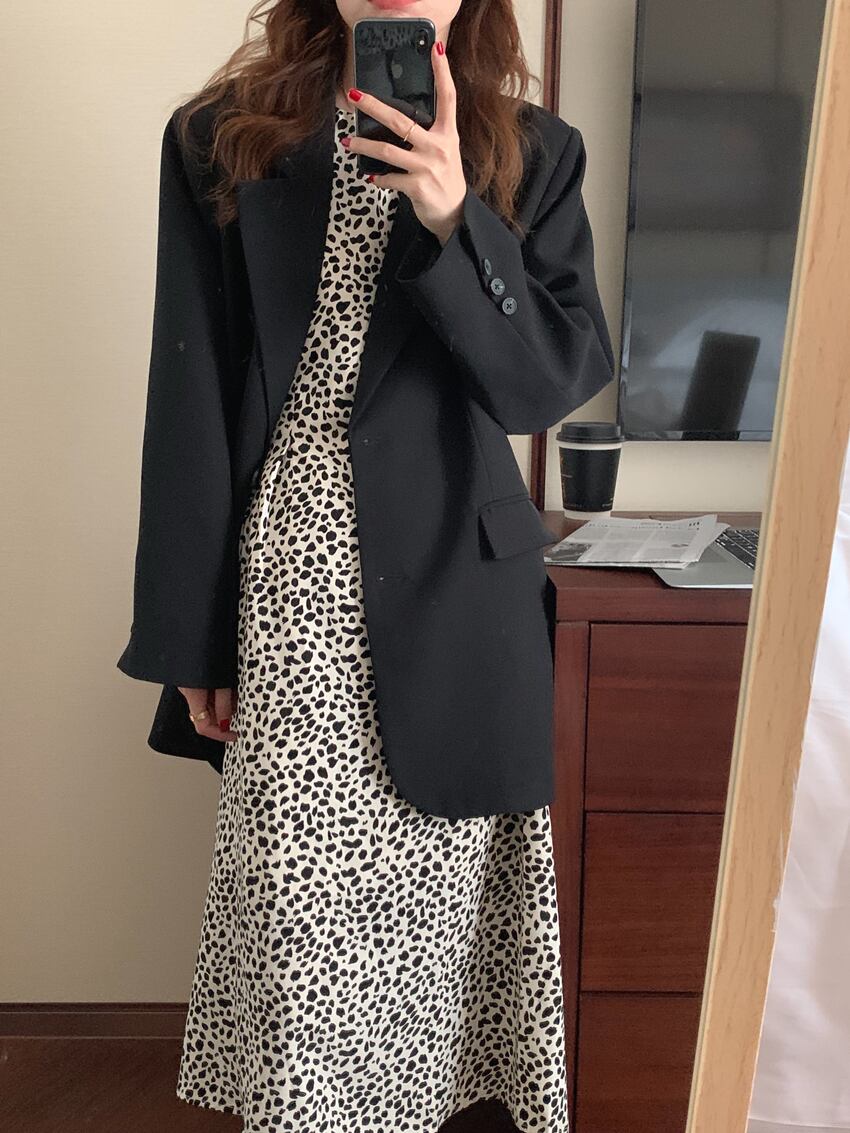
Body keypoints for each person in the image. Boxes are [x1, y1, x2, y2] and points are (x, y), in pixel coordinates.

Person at [118, 0, 615, 1128]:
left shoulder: (532, 153)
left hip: (458, 582)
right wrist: (191, 632)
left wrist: (453, 216)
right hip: (292, 575)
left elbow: (545, 384)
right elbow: (187, 393)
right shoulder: (222, 137)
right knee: (303, 918)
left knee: (432, 925)